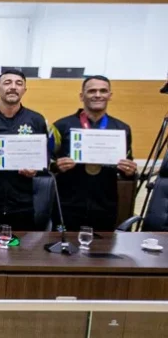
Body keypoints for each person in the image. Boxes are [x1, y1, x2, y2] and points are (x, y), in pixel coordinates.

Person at [0, 69, 57, 231]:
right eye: (7, 83)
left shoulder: (36, 120)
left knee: (20, 254)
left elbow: (46, 158)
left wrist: (36, 170)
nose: (13, 87)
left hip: (22, 204)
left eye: (18, 84)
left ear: (24, 90)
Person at [52, 75, 135, 231]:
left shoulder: (121, 128)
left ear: (110, 95)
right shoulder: (61, 126)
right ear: (82, 96)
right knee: (63, 251)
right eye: (92, 91)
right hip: (67, 204)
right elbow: (47, 162)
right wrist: (57, 166)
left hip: (105, 204)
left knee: (101, 252)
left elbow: (128, 166)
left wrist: (129, 171)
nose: (98, 95)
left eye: (103, 91)